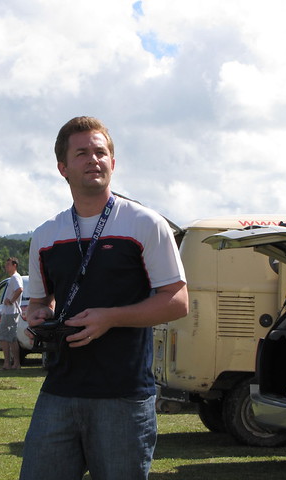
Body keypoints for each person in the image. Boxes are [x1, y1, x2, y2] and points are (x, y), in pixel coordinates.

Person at [19, 116, 188, 480]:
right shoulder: (46, 235)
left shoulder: (146, 223)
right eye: (82, 153)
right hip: (60, 389)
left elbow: (177, 301)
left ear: (113, 162)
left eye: (101, 152)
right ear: (63, 167)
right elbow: (38, 302)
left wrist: (109, 318)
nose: (93, 159)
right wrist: (35, 318)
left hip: (123, 395)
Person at [0, 257, 23, 370]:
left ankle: (9, 363)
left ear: (14, 265)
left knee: (5, 338)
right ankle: (14, 363)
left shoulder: (15, 278)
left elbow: (19, 289)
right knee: (10, 338)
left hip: (11, 312)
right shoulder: (13, 278)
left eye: (8, 265)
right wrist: (2, 312)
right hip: (8, 312)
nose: (6, 267)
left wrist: (11, 301)